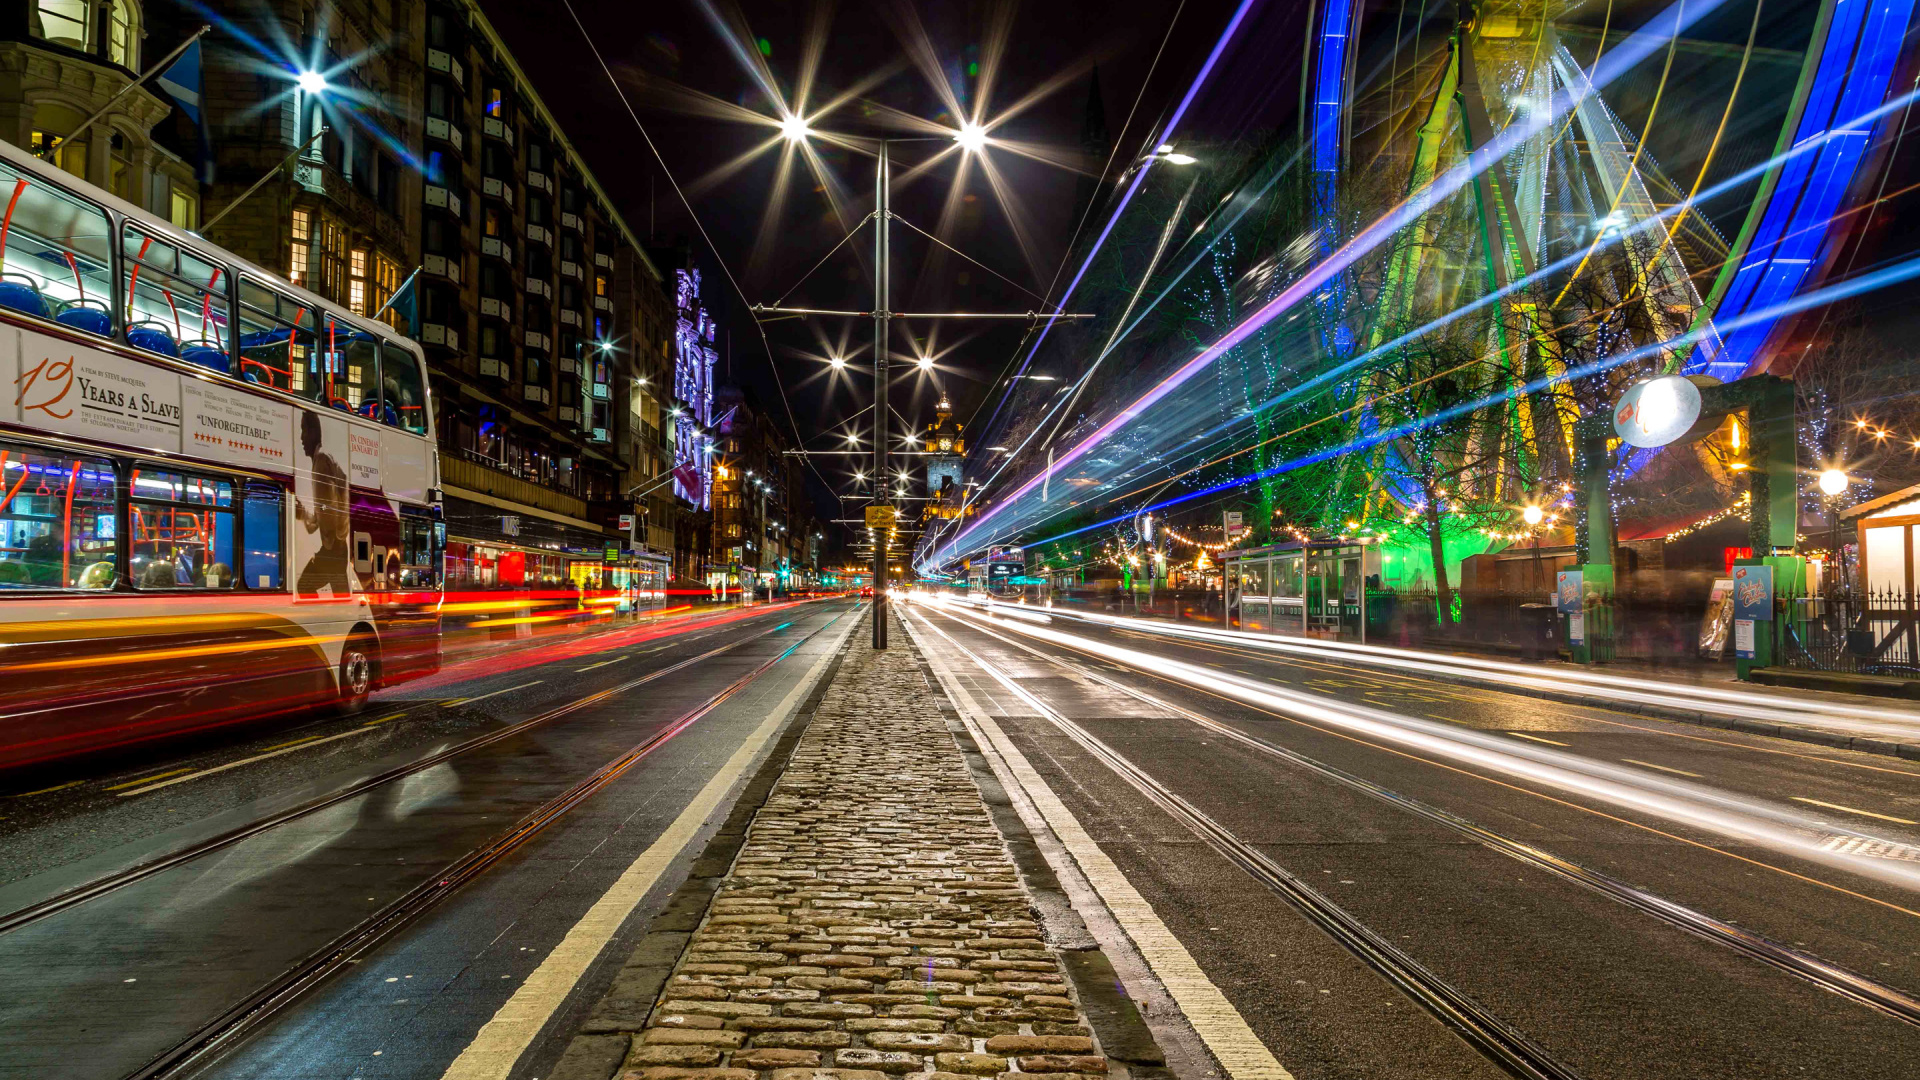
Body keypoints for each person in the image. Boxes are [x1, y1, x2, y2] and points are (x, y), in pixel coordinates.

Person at [294, 411, 351, 598]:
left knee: (304, 586)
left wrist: (334, 538)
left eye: (304, 430)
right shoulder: (321, 460)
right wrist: (303, 513)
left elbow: (329, 508)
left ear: (313, 433)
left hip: (333, 550)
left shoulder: (322, 460)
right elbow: (322, 515)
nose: (301, 438)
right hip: (336, 548)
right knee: (342, 598)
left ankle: (321, 615)